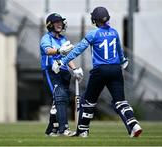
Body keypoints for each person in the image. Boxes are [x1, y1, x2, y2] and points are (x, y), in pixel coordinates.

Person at [52, 7, 142, 138]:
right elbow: (119, 51)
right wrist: (123, 61)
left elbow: (77, 50)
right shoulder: (114, 32)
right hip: (116, 69)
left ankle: (83, 130)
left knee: (88, 101)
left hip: (100, 71)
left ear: (94, 20)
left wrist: (62, 62)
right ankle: (133, 124)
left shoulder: (93, 34)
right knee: (120, 102)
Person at [40, 13, 83, 136]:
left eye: (61, 22)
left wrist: (75, 69)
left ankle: (50, 130)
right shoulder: (46, 38)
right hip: (51, 71)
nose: (60, 24)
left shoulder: (63, 39)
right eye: (56, 22)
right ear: (50, 25)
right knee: (60, 97)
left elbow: (68, 57)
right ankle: (63, 129)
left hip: (64, 72)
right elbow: (48, 51)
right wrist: (59, 50)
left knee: (59, 102)